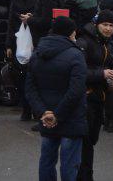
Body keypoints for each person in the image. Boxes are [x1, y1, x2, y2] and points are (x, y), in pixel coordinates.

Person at [26, 16, 88, 181]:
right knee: (69, 165)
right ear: (71, 33)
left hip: (46, 118)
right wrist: (58, 115)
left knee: (46, 160)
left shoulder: (37, 53)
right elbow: (76, 90)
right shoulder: (76, 55)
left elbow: (30, 88)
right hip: (71, 118)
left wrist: (43, 112)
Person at [75, 10, 113, 181]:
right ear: (97, 25)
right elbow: (78, 72)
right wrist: (102, 74)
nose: (108, 29)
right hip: (85, 99)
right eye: (105, 25)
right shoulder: (84, 42)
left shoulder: (110, 44)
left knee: (91, 141)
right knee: (85, 144)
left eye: (111, 25)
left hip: (100, 98)